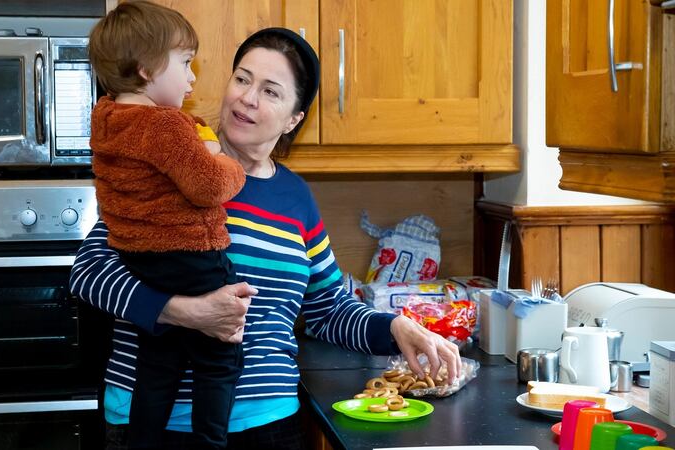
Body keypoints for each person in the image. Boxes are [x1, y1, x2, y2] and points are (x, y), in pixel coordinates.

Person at [70, 26, 462, 450]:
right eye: (242, 79)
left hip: (268, 424)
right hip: (151, 423)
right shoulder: (169, 165)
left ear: (294, 118)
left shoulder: (295, 198)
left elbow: (327, 308)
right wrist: (184, 312)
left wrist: (397, 327)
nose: (248, 98)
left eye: (271, 91)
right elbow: (90, 273)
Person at [87, 2, 246, 448]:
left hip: (141, 261)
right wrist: (226, 162)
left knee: (159, 364)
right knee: (220, 359)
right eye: (185, 63)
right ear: (144, 69)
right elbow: (208, 186)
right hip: (191, 255)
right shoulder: (164, 126)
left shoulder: (106, 120)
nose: (193, 77)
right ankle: (210, 443)